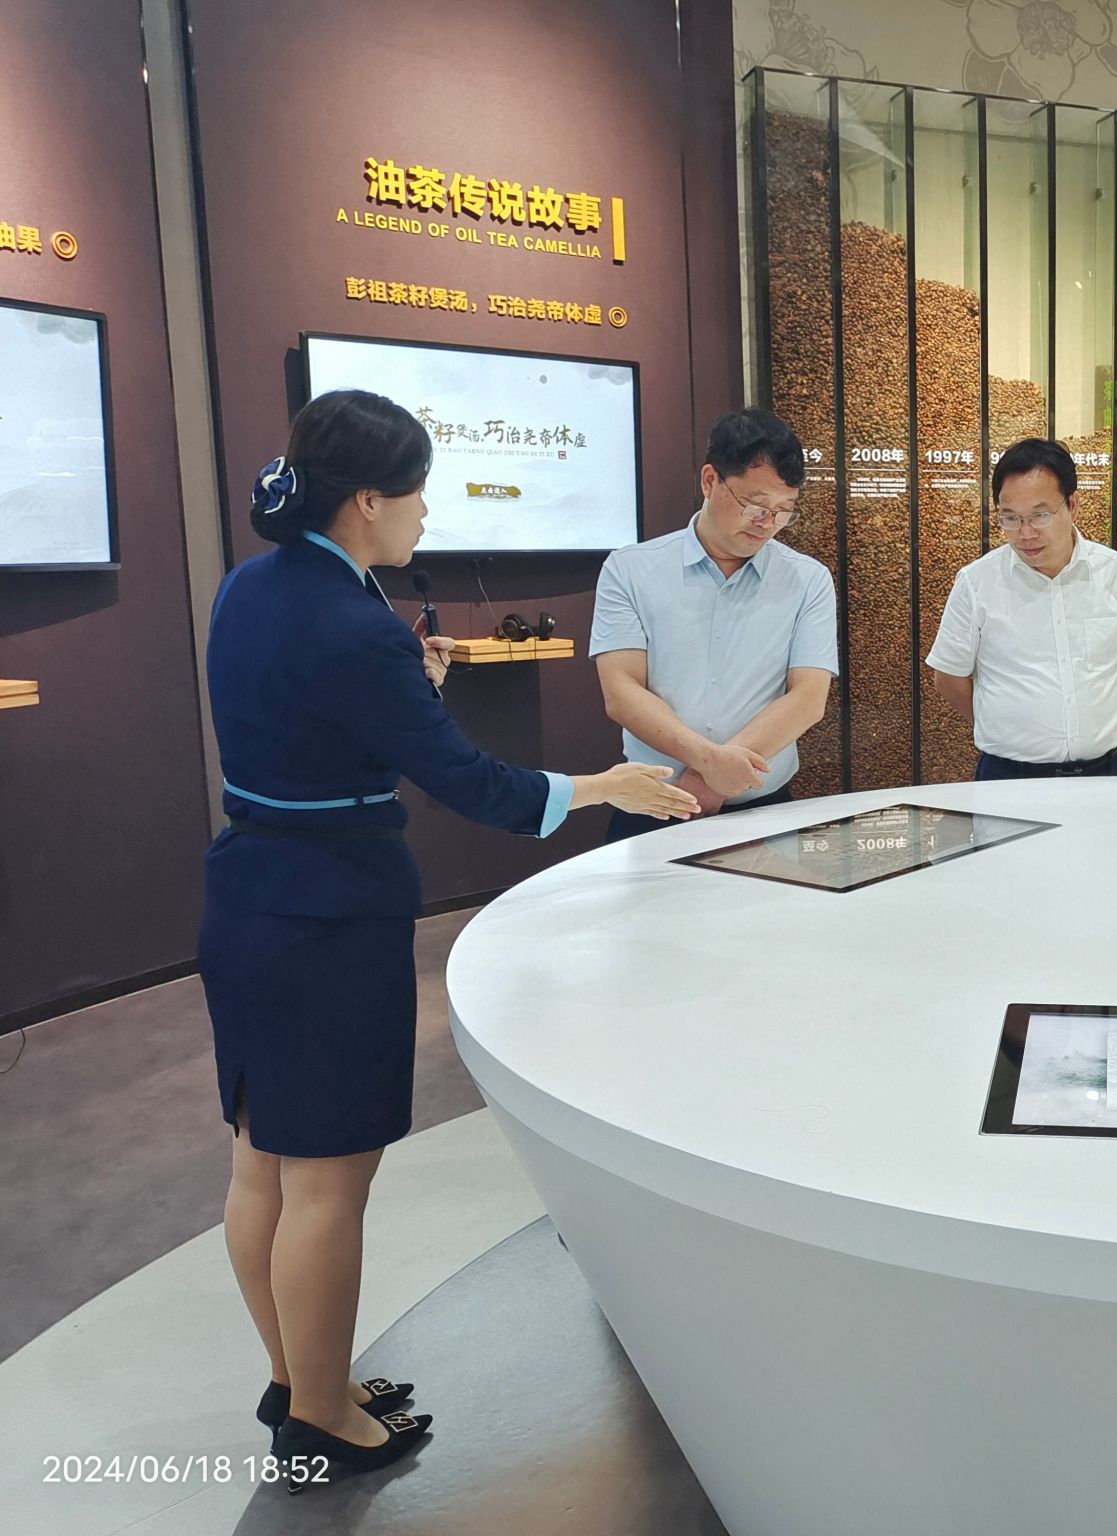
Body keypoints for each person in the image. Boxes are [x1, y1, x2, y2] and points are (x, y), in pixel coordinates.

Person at [201, 391, 695, 1489]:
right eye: (419, 492)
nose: (427, 513)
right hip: (331, 917)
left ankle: (298, 1380)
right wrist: (603, 785)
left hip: (247, 900)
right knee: (328, 1181)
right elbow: (475, 784)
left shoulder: (253, 586)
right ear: (368, 501)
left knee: (262, 1163)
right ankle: (323, 1416)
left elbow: (308, 717)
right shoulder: (358, 627)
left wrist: (403, 685)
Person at [592, 408, 837, 837]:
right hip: (653, 804)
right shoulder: (630, 570)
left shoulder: (807, 579)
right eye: (756, 506)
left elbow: (807, 699)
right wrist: (707, 761)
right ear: (710, 481)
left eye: (784, 510)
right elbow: (622, 691)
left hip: (765, 811)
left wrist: (712, 779)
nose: (768, 525)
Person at [926, 438, 1117, 779]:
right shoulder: (977, 582)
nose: (1026, 533)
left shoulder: (1116, 572)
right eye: (1010, 518)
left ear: (1073, 505)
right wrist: (1001, 721)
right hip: (1009, 776)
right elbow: (948, 676)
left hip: (1108, 772)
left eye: (1040, 515)